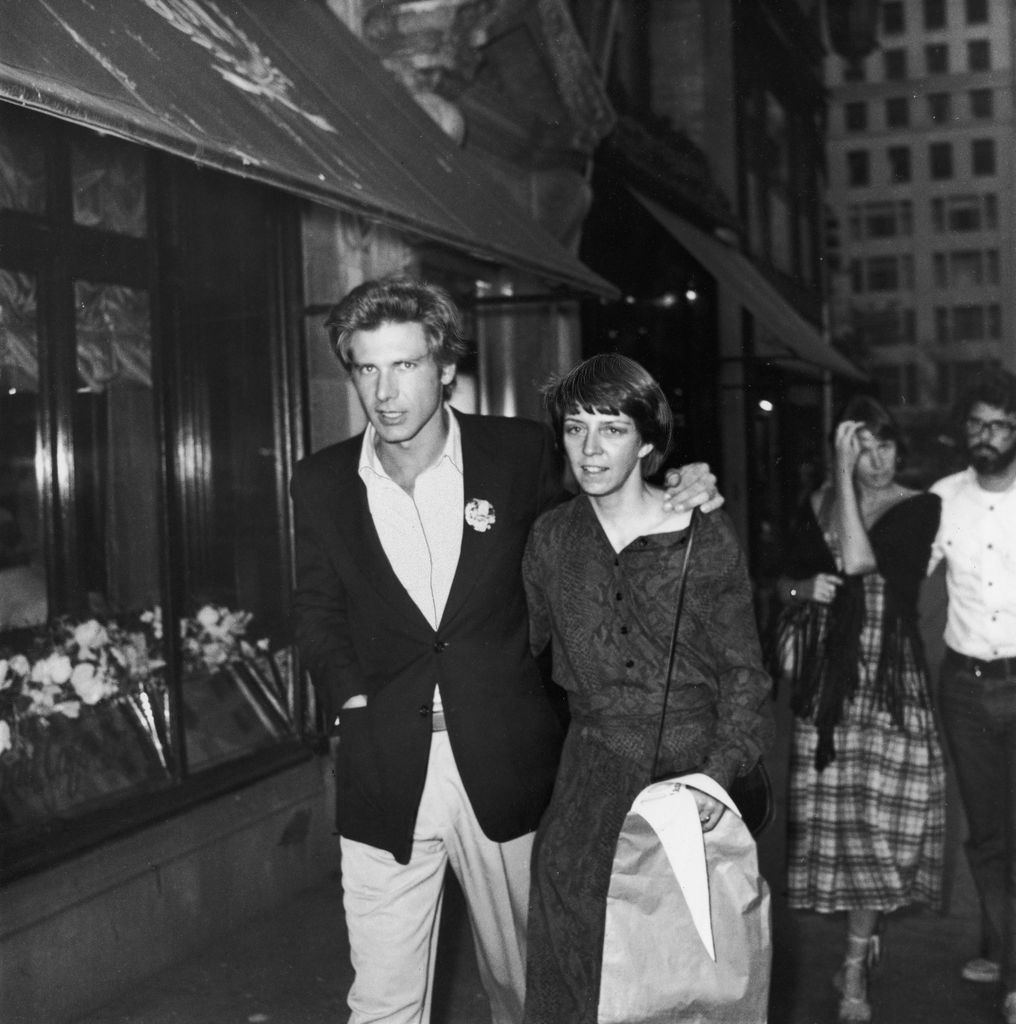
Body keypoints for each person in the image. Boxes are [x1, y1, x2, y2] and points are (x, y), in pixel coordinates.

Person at [289, 275, 721, 1024]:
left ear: (446, 367)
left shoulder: (518, 454)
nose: (385, 392)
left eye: (406, 366)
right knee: (382, 1004)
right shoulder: (323, 481)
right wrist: (353, 701)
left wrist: (678, 486)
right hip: (385, 766)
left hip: (507, 765)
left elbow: (607, 523)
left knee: (529, 989)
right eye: (367, 368)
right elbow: (317, 609)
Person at [520, 352, 772, 1024]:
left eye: (612, 429)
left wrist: (713, 782)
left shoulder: (702, 534)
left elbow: (746, 676)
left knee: (686, 976)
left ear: (648, 443)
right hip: (591, 776)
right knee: (575, 960)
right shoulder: (551, 539)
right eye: (576, 429)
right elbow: (518, 648)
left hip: (693, 773)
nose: (591, 448)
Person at [772, 395, 945, 1024]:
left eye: (884, 445)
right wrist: (800, 588)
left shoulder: (918, 506)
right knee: (843, 831)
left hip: (888, 681)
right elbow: (784, 579)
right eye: (861, 446)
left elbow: (858, 561)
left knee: (884, 829)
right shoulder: (815, 502)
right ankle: (854, 961)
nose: (876, 459)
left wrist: (840, 476)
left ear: (900, 449)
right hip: (828, 686)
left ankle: (856, 954)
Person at [928, 369, 1016, 1023]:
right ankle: (1003, 945)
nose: (988, 436)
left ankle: (1010, 961)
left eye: (1002, 424)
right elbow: (897, 573)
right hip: (964, 689)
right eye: (978, 423)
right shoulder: (943, 498)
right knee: (988, 834)